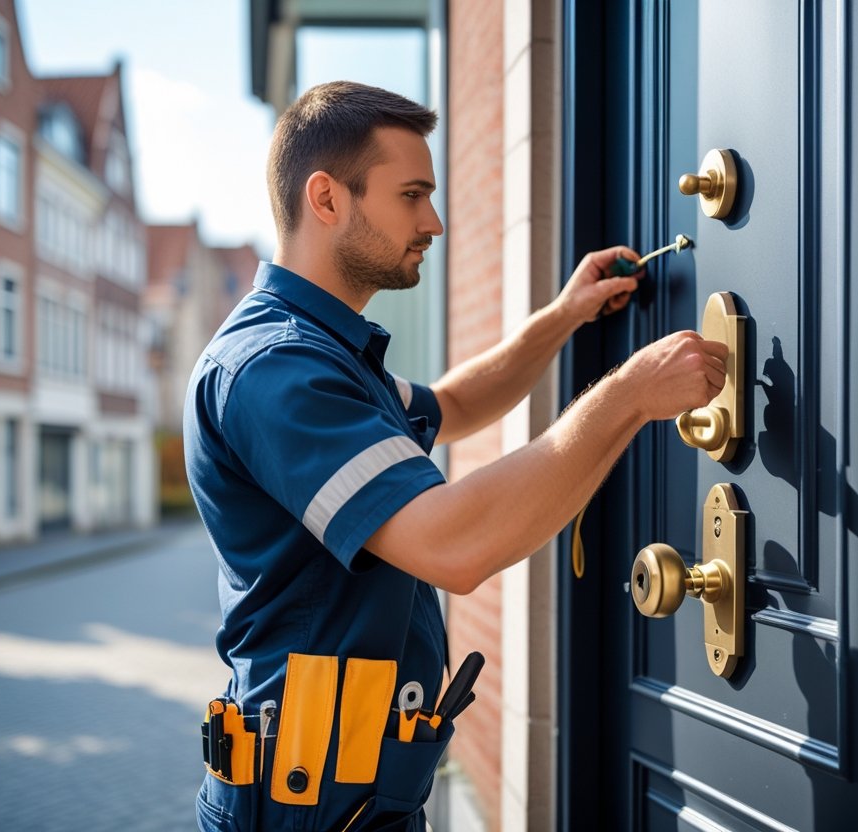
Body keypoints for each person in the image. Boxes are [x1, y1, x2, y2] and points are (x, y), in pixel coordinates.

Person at [186, 80, 728, 832]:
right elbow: (454, 543)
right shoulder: (276, 371)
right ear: (327, 198)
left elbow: (455, 406)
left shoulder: (326, 356)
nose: (433, 221)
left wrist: (562, 316)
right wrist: (629, 395)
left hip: (356, 797)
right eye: (412, 195)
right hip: (306, 809)